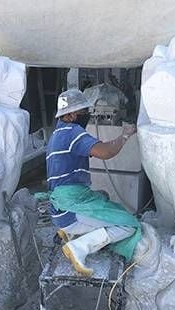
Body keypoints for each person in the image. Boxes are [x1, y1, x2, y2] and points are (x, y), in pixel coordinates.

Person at [45, 89, 142, 277]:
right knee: (128, 224)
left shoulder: (57, 134)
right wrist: (125, 135)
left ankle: (71, 234)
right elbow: (105, 152)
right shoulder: (72, 132)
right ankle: (79, 247)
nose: (87, 115)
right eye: (83, 111)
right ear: (71, 114)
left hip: (60, 207)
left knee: (103, 197)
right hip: (70, 209)